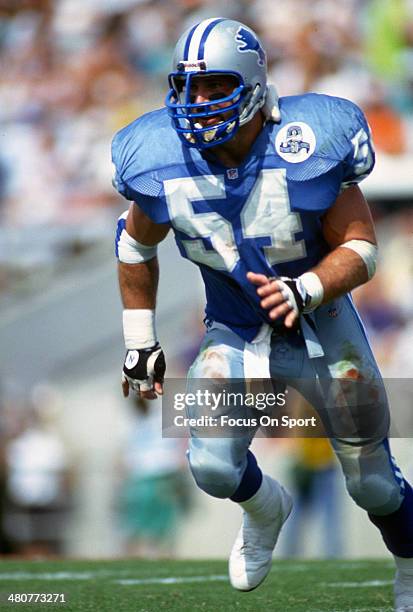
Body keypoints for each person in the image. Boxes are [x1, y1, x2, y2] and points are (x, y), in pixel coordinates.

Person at [112, 17, 413, 609]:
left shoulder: (308, 138)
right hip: (234, 331)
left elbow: (361, 247)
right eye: (185, 86)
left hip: (323, 327)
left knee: (373, 483)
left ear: (251, 84)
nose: (195, 102)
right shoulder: (156, 154)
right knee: (212, 467)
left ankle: (409, 566)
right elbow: (132, 243)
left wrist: (306, 288)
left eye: (212, 85)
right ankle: (266, 507)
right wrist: (139, 338)